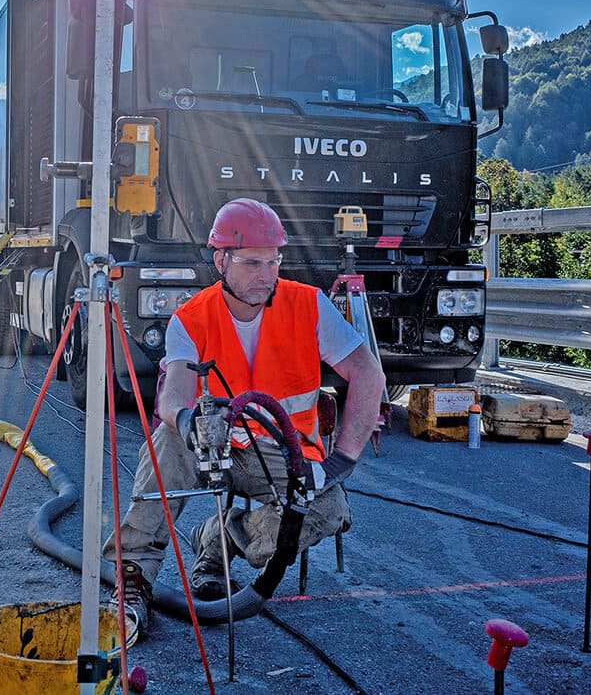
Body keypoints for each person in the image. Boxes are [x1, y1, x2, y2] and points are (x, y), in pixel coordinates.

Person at [102, 198, 386, 633]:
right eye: (253, 263)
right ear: (221, 260)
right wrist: (185, 424)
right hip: (212, 449)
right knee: (165, 443)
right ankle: (133, 579)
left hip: (281, 456)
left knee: (329, 509)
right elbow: (173, 394)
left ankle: (220, 537)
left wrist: (339, 462)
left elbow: (368, 374)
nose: (266, 275)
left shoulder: (308, 307)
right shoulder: (190, 319)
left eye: (273, 262)